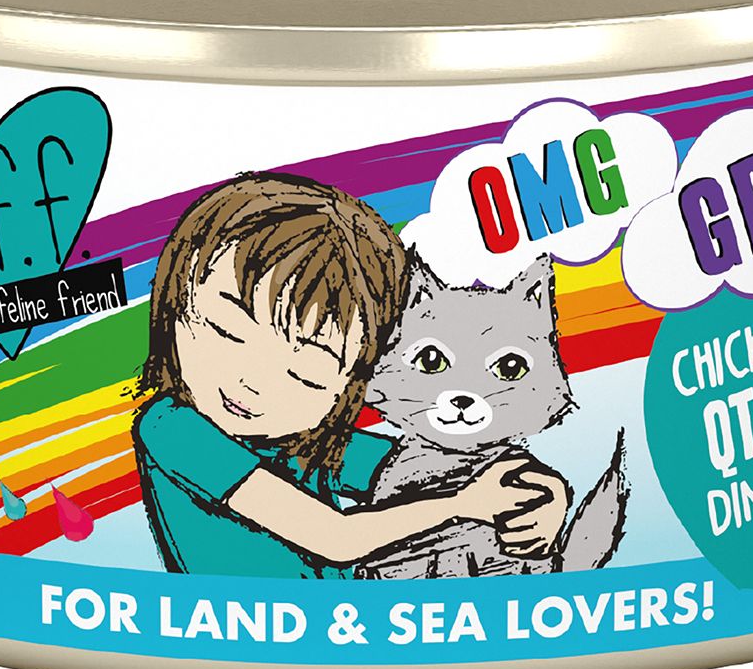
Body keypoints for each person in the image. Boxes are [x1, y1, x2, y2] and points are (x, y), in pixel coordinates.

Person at [134, 173, 568, 577]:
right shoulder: (173, 427)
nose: (251, 383)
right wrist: (464, 503)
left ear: (351, 384)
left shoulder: (306, 438)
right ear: (175, 305)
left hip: (352, 614)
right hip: (253, 622)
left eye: (304, 375)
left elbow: (434, 465)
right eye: (226, 331)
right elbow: (334, 538)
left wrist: (540, 492)